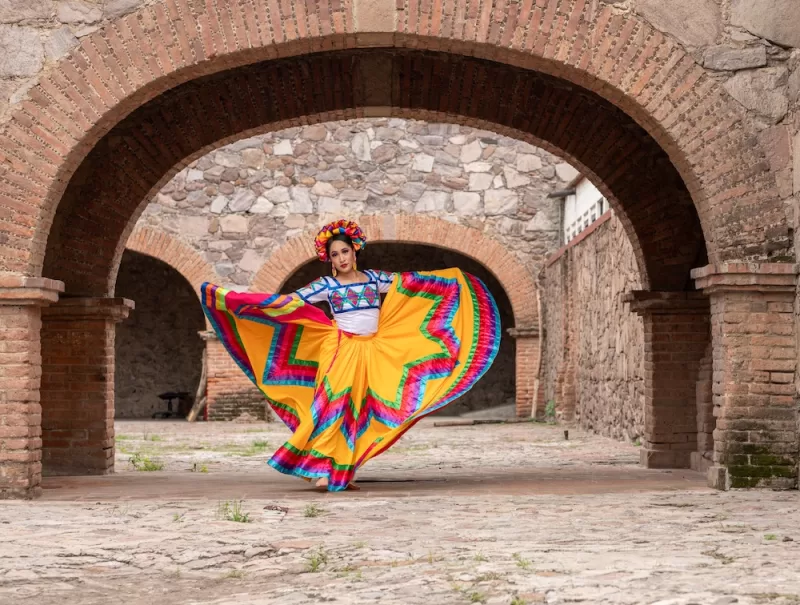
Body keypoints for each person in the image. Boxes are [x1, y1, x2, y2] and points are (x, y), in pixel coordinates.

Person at [200, 219, 500, 491]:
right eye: (335, 255)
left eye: (345, 252)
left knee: (361, 410)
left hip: (373, 351)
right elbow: (287, 303)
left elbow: (410, 283)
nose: (341, 258)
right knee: (334, 405)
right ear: (329, 259)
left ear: (354, 251)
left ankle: (345, 469)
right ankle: (320, 468)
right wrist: (240, 301)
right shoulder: (327, 286)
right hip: (341, 350)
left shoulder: (375, 279)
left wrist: (450, 280)